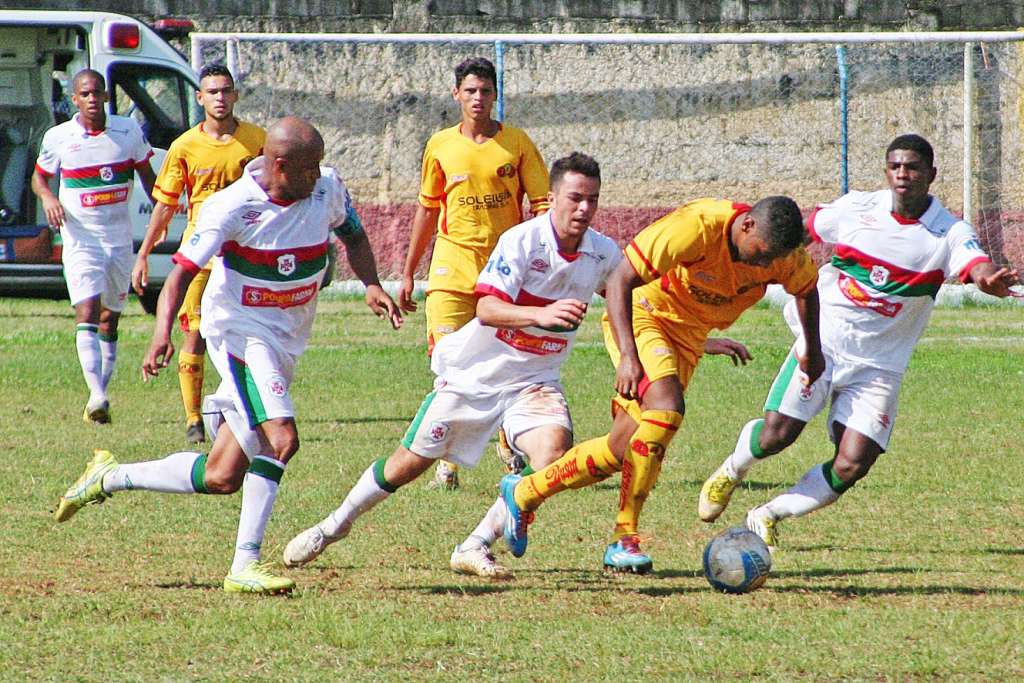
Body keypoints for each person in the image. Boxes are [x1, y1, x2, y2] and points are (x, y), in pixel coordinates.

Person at [52, 117, 403, 594]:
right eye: (309, 167)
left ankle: (111, 476)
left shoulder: (326, 187)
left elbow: (355, 236)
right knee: (280, 439)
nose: (319, 175)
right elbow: (179, 274)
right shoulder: (231, 206)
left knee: (222, 475)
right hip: (239, 331)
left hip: (286, 338)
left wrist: (371, 284)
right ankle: (244, 564)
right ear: (280, 165)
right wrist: (161, 333)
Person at [281, 152, 622, 576]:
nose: (584, 209)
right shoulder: (523, 241)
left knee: (551, 455)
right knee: (407, 465)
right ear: (551, 198)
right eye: (575, 198)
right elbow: (487, 308)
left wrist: (694, 337)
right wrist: (540, 314)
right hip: (476, 374)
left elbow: (635, 298)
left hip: (536, 378)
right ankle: (333, 526)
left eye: (593, 199)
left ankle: (475, 544)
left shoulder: (603, 253)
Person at [697, 134, 1020, 552]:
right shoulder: (856, 209)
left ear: (931, 175)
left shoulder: (948, 231)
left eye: (913, 168)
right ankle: (732, 469)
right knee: (778, 434)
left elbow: (975, 263)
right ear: (887, 171)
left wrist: (988, 279)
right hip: (826, 341)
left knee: (853, 463)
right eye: (895, 166)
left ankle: (768, 513)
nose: (903, 175)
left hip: (880, 366)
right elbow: (801, 233)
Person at [499, 194, 825, 574]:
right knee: (667, 409)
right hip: (645, 314)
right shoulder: (697, 226)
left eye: (772, 260)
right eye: (761, 253)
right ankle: (624, 538)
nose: (765, 265)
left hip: (688, 337)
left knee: (622, 448)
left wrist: (813, 350)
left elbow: (807, 292)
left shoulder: (785, 253)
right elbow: (622, 278)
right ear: (747, 225)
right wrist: (628, 355)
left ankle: (524, 492)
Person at [398, 57, 551, 490]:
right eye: (470, 91)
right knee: (448, 366)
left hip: (503, 272)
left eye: (485, 90)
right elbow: (428, 209)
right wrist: (409, 272)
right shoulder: (440, 145)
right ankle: (447, 464)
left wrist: (538, 263)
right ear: (456, 95)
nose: (478, 98)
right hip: (450, 267)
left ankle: (508, 441)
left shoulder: (517, 143)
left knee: (502, 363)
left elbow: (541, 206)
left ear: (495, 94)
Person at [132, 63, 266, 444]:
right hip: (200, 258)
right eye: (212, 92)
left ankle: (243, 408)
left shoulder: (258, 140)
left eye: (226, 91)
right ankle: (194, 418)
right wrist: (144, 253)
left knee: (248, 336)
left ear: (235, 95)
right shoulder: (185, 146)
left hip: (246, 256)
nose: (220, 98)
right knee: (194, 335)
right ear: (200, 97)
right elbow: (164, 204)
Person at [30, 68, 157, 424]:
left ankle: (101, 394)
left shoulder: (128, 131)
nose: (91, 99)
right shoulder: (59, 137)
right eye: (84, 94)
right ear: (74, 99)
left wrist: (165, 211)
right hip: (80, 237)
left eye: (96, 93)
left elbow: (149, 178)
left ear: (105, 97)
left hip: (118, 238)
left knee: (109, 319)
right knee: (86, 311)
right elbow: (39, 177)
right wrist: (48, 199)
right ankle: (97, 394)